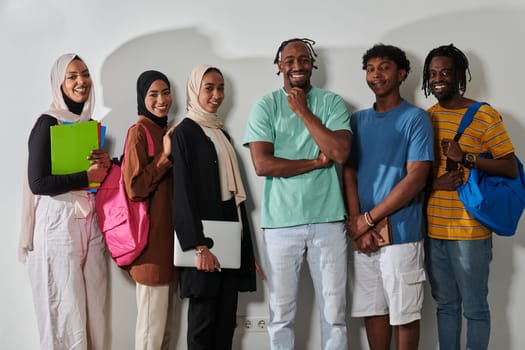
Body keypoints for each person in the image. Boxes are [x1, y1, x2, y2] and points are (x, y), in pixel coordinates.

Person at [244, 38, 351, 350]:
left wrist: (303, 111)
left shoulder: (331, 103)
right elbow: (263, 165)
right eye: (288, 60)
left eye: (303, 59)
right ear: (278, 65)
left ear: (312, 64)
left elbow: (341, 152)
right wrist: (316, 162)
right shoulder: (265, 106)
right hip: (280, 225)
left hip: (329, 221)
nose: (296, 66)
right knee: (280, 315)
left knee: (334, 314)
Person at [422, 44, 518, 350]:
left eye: (445, 72)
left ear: (459, 75)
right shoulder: (427, 117)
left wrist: (468, 157)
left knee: (475, 309)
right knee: (446, 306)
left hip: (471, 232)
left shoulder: (485, 116)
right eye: (432, 73)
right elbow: (417, 174)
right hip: (434, 230)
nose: (438, 79)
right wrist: (435, 185)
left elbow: (510, 167)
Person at [343, 44, 433, 350]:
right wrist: (358, 224)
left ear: (402, 73)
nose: (376, 74)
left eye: (384, 67)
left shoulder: (416, 119)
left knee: (404, 313)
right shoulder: (357, 120)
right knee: (373, 310)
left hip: (402, 234)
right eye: (370, 68)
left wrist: (369, 219)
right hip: (364, 236)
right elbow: (349, 172)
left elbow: (416, 178)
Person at [20, 53, 111, 349]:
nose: (81, 81)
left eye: (84, 74)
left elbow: (95, 178)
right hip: (57, 224)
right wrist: (86, 176)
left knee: (94, 313)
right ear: (59, 82)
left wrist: (104, 166)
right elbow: (38, 182)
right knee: (63, 312)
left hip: (88, 221)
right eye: (72, 76)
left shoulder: (91, 126)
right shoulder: (46, 123)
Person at [171, 64, 256, 350]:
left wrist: (246, 251)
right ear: (195, 90)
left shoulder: (221, 133)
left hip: (229, 241)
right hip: (204, 243)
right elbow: (182, 194)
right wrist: (199, 247)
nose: (216, 95)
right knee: (202, 326)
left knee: (224, 325)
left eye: (220, 88)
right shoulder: (184, 133)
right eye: (209, 88)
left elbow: (234, 200)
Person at [123, 70, 179, 350]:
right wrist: (165, 157)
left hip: (169, 245)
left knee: (166, 331)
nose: (161, 100)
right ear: (141, 98)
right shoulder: (139, 132)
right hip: (150, 248)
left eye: (166, 92)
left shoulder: (166, 131)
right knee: (149, 333)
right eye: (153, 94)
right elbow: (135, 188)